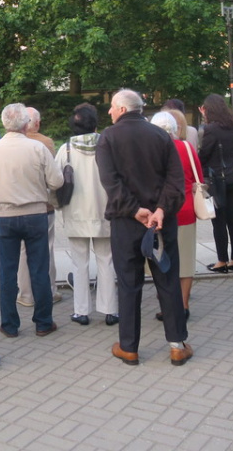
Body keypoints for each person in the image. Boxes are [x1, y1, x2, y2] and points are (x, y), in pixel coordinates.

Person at [96, 90, 191, 366]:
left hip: (127, 222)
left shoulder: (109, 138)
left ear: (122, 109)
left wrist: (136, 210)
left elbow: (110, 182)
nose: (110, 112)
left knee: (129, 283)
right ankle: (176, 344)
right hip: (161, 222)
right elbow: (176, 180)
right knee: (167, 280)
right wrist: (160, 209)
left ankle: (129, 346)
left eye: (112, 108)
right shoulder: (161, 136)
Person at [0, 103, 63, 338]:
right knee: (39, 269)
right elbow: (57, 181)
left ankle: (9, 325)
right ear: (26, 124)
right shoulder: (38, 148)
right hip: (36, 213)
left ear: (3, 123)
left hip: (4, 215)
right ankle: (43, 322)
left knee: (7, 272)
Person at [56, 103, 117, 327]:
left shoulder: (66, 149)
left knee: (79, 262)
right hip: (105, 211)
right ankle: (110, 310)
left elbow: (55, 179)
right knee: (107, 260)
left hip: (76, 212)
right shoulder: (107, 144)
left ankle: (81, 311)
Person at [153, 110, 201, 321]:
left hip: (159, 212)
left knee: (163, 260)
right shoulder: (187, 148)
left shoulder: (153, 149)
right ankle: (183, 305)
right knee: (186, 260)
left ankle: (167, 305)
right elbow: (199, 177)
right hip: (186, 209)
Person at [17, 106, 62, 307]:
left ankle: (26, 295)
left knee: (23, 252)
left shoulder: (6, 144)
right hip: (44, 207)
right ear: (37, 123)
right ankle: (50, 291)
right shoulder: (46, 143)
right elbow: (54, 179)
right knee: (47, 249)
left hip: (16, 207)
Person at [198, 93, 233, 273]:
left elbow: (204, 155)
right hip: (232, 176)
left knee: (218, 221)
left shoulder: (211, 129)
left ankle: (222, 260)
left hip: (216, 179)